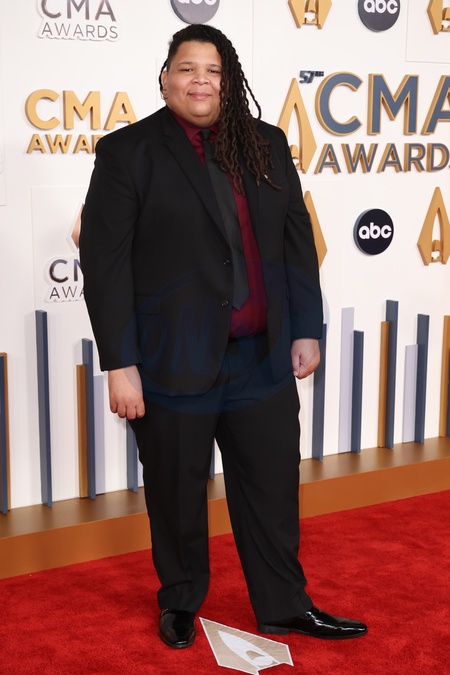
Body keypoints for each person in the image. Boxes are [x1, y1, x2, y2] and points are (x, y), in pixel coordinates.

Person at [79, 24, 367, 649]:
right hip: (170, 360)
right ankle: (180, 601)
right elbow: (104, 267)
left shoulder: (267, 143)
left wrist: (306, 328)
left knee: (272, 487)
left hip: (261, 356)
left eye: (213, 71)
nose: (200, 82)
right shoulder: (127, 152)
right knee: (177, 489)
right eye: (187, 69)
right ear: (165, 78)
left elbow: (296, 240)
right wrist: (119, 365)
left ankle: (284, 605)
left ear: (228, 80)